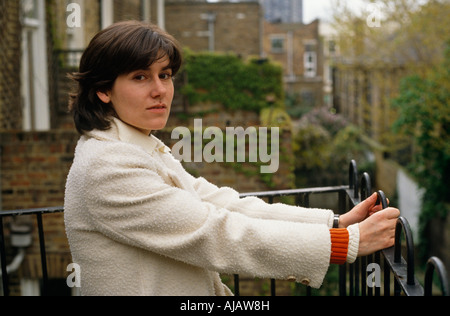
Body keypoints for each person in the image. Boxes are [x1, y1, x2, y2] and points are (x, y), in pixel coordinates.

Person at [64, 21, 400, 296]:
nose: (160, 90)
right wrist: (345, 244)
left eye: (164, 75)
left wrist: (333, 224)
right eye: (140, 77)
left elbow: (223, 204)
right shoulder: (107, 166)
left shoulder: (136, 145)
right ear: (103, 90)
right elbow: (214, 233)